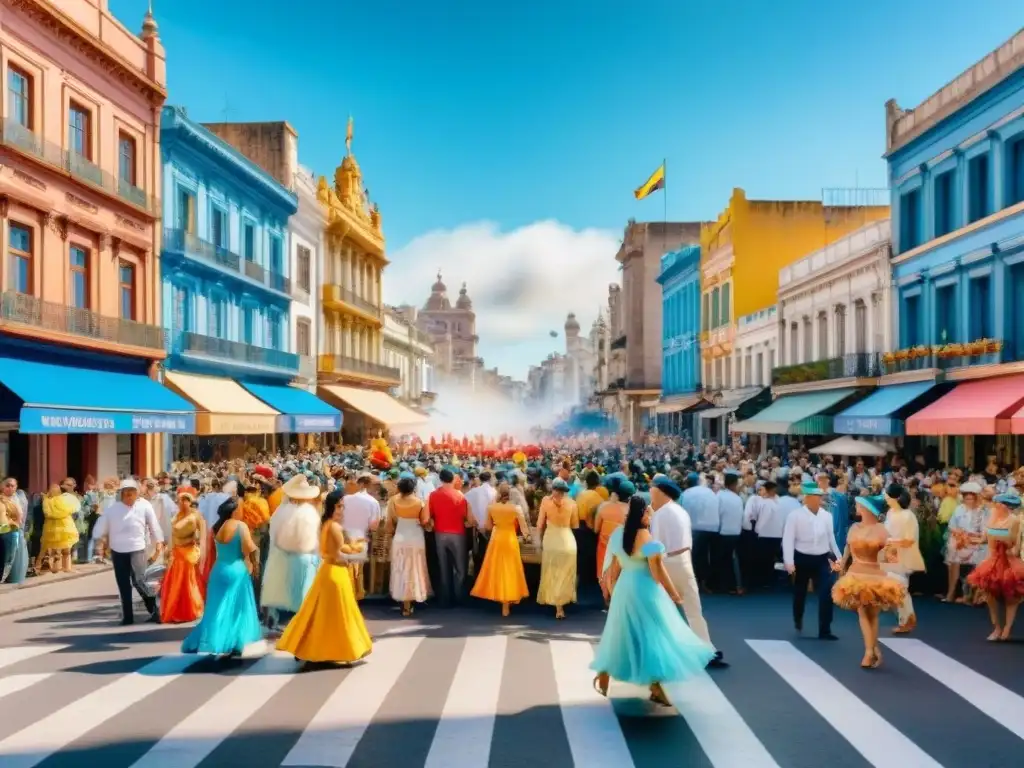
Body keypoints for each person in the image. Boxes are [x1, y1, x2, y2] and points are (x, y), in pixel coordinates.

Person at [591, 495, 716, 707]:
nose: (651, 515)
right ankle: (655, 686)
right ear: (643, 515)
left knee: (624, 633)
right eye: (649, 512)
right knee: (653, 636)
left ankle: (606, 673)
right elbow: (658, 572)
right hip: (644, 590)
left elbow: (613, 570)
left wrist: (612, 592)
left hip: (624, 589)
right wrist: (674, 594)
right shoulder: (648, 540)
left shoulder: (619, 535)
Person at [277, 489, 373, 666]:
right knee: (339, 616)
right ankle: (332, 649)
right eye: (339, 506)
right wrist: (358, 548)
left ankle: (313, 649)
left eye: (343, 507)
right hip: (336, 572)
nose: (342, 510)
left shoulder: (327, 524)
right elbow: (339, 554)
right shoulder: (334, 526)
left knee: (321, 615)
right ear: (331, 507)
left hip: (329, 572)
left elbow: (335, 548)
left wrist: (352, 545)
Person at [648, 476, 726, 668]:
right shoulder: (680, 510)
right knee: (693, 609)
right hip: (683, 560)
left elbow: (654, 544)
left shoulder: (661, 514)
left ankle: (667, 652)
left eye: (653, 493)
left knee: (663, 609)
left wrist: (642, 558)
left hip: (669, 561)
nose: (651, 498)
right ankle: (706, 649)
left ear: (662, 493)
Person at [182, 497, 263, 657]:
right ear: (234, 511)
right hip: (236, 571)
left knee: (215, 609)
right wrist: (255, 564)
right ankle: (235, 643)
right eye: (239, 508)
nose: (242, 511)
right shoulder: (241, 526)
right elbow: (250, 548)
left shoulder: (217, 527)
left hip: (219, 570)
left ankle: (213, 640)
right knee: (237, 610)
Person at [832, 495, 907, 668]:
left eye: (859, 505)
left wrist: (893, 558)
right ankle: (871, 651)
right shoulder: (854, 527)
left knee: (870, 614)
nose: (856, 507)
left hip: (875, 575)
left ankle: (872, 650)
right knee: (864, 613)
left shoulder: (882, 530)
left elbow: (890, 555)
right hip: (856, 574)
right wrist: (842, 565)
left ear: (867, 509)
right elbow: (847, 549)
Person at [92, 479, 163, 625]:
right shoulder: (113, 509)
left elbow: (154, 525)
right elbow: (101, 527)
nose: (129, 496)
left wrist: (159, 542)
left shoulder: (145, 506)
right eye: (126, 494)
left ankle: (155, 611)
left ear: (137, 494)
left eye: (132, 493)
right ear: (122, 494)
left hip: (137, 549)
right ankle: (128, 617)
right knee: (123, 584)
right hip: (118, 551)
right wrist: (99, 543)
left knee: (139, 581)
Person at [260, 475, 322, 631]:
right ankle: (302, 627)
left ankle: (275, 619)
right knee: (303, 593)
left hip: (283, 556)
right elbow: (313, 539)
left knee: (283, 590)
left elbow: (276, 537)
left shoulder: (282, 512)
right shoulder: (309, 512)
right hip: (305, 557)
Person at [783, 482, 841, 640]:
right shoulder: (795, 516)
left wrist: (839, 558)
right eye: (814, 497)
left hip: (822, 559)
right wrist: (789, 562)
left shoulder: (827, 516)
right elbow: (788, 539)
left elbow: (831, 539)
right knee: (800, 593)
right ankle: (798, 618)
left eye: (819, 497)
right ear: (807, 498)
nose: (818, 499)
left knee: (826, 593)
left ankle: (825, 630)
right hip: (801, 558)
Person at [967, 491, 1024, 641]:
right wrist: (970, 539)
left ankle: (1007, 628)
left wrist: (1005, 545)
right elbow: (984, 539)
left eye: (997, 503)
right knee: (990, 596)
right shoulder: (992, 518)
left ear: (1005, 506)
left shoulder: (1014, 521)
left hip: (1008, 561)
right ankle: (997, 627)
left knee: (1011, 597)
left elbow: (1016, 546)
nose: (994, 506)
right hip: (992, 561)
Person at [471, 482, 531, 616]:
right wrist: (527, 537)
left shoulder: (491, 507)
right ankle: (507, 601)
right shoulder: (516, 508)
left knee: (497, 570)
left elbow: (487, 526)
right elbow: (524, 528)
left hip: (496, 539)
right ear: (510, 495)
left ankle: (500, 598)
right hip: (510, 539)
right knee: (510, 570)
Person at [881, 482, 926, 634]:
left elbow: (909, 540)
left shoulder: (908, 516)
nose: (886, 499)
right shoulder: (890, 513)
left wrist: (889, 541)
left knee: (899, 587)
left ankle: (907, 620)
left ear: (897, 497)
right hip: (890, 554)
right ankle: (905, 619)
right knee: (895, 588)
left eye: (888, 496)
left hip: (903, 555)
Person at [159, 486, 205, 624]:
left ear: (190, 501)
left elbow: (202, 536)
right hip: (176, 553)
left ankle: (190, 610)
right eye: (180, 500)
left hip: (189, 553)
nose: (183, 503)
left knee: (187, 583)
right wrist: (167, 551)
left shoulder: (196, 516)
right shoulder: (176, 516)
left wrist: (201, 552)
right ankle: (175, 611)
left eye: (186, 500)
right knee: (174, 584)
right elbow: (172, 534)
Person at [388, 476, 432, 616]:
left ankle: (404, 602)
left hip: (400, 535)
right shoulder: (420, 502)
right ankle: (412, 599)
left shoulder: (393, 501)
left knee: (400, 568)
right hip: (415, 536)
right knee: (416, 567)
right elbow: (425, 521)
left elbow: (390, 522)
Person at [536, 478, 579, 619]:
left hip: (551, 540)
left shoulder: (545, 501)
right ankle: (561, 604)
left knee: (552, 572)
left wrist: (538, 541)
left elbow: (540, 524)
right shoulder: (572, 503)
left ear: (553, 490)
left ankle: (557, 605)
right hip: (568, 541)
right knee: (566, 573)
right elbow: (575, 525)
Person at [427, 468, 469, 607]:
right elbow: (467, 517)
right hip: (458, 533)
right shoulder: (460, 495)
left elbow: (428, 516)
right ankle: (459, 597)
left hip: (440, 533)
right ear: (453, 480)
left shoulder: (433, 495)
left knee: (443, 567)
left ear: (441, 479)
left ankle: (445, 598)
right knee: (460, 568)